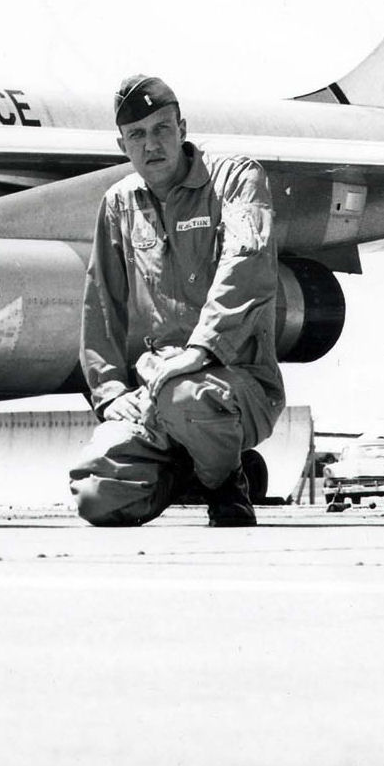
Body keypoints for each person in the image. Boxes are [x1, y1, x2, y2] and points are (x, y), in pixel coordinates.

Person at [70, 75, 285, 527]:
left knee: (185, 395)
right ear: (122, 145)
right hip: (155, 390)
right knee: (96, 497)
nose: (152, 144)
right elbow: (100, 304)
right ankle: (191, 467)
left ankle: (227, 482)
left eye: (162, 129)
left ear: (182, 129)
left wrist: (198, 351)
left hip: (236, 383)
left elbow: (247, 265)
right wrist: (110, 394)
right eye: (138, 135)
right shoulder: (119, 205)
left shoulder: (236, 180)